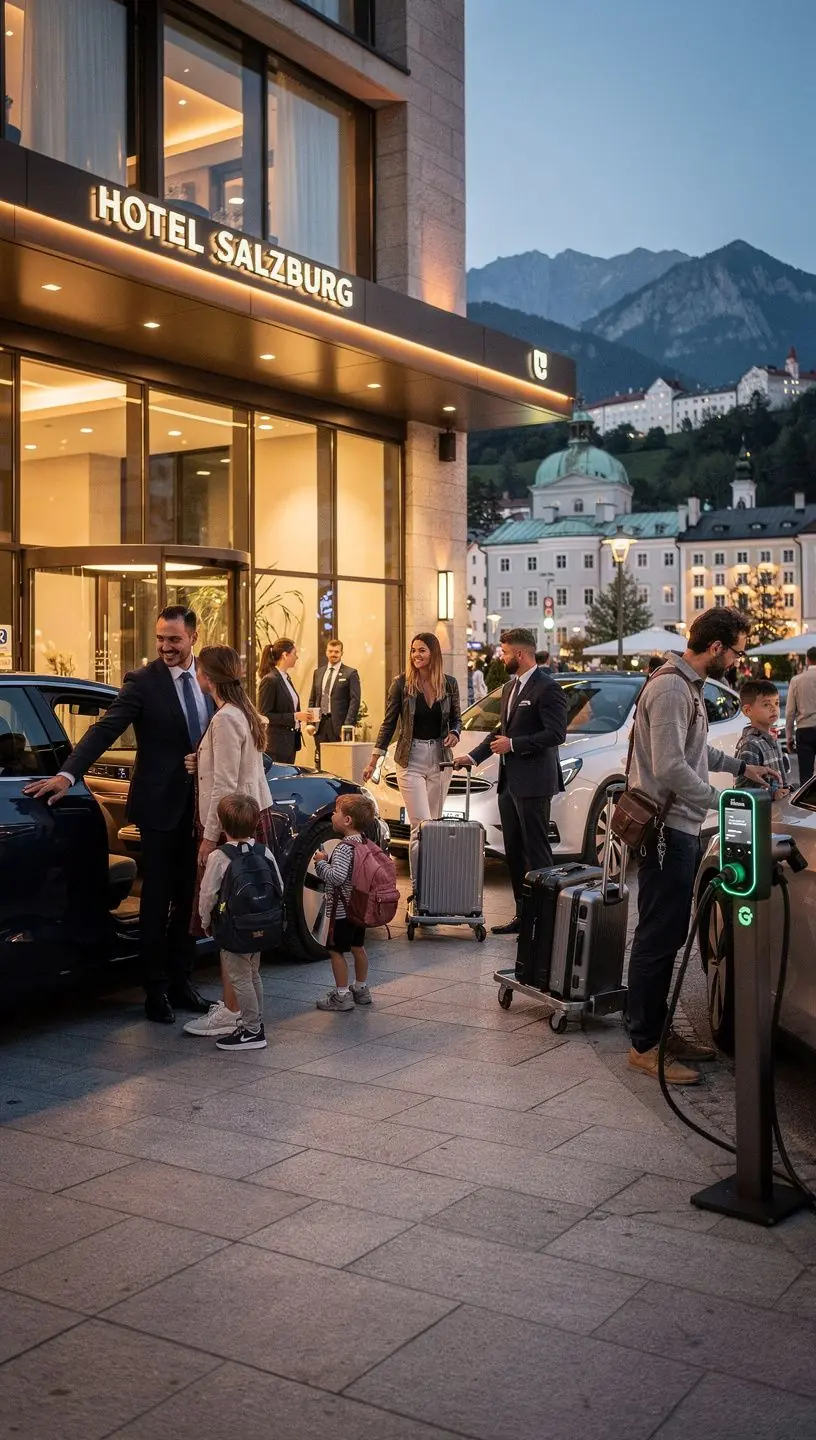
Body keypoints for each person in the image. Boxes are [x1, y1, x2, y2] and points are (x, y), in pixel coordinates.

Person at [24, 606, 214, 1024]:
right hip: (159, 808)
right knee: (157, 899)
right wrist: (68, 774)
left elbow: (229, 730)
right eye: (160, 638)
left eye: (174, 639)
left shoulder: (210, 677)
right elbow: (105, 729)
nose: (165, 647)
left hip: (202, 808)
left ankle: (182, 981)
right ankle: (155, 991)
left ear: (193, 638)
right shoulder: (143, 681)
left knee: (191, 898)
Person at [626, 607, 780, 1085]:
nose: (736, 661)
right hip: (667, 829)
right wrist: (724, 801)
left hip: (679, 826)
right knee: (659, 936)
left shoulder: (685, 685)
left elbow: (693, 751)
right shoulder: (673, 688)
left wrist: (740, 768)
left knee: (669, 933)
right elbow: (671, 767)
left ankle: (657, 1031)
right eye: (735, 652)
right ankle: (643, 1045)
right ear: (715, 647)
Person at [183, 644, 277, 1038]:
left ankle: (232, 1010)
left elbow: (223, 785)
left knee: (228, 920)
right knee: (245, 917)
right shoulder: (242, 712)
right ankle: (240, 1006)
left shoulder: (224, 718)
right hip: (250, 817)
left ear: (207, 677)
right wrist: (199, 761)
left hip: (230, 823)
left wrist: (209, 838)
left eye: (198, 670)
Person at [455, 627, 568, 935]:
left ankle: (545, 921)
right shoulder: (509, 688)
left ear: (520, 653)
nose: (501, 657)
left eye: (504, 652)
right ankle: (523, 916)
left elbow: (556, 733)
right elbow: (500, 732)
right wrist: (473, 757)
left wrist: (514, 745)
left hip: (534, 784)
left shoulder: (548, 688)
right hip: (509, 785)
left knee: (537, 852)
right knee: (514, 852)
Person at [362, 633, 461, 879]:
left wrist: (455, 733)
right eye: (413, 650)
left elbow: (456, 718)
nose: (416, 655)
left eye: (422, 650)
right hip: (410, 758)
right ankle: (419, 888)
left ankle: (434, 882)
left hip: (440, 759)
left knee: (434, 825)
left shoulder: (449, 684)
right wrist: (373, 761)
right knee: (421, 825)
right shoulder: (401, 684)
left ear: (433, 653)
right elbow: (388, 724)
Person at [198, 792, 280, 1052]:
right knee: (253, 974)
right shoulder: (264, 851)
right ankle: (256, 1023)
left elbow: (208, 894)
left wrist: (205, 920)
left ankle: (252, 1030)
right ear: (255, 823)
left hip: (235, 929)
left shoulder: (220, 857)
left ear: (222, 825)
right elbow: (277, 885)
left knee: (240, 978)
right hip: (261, 923)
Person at [313, 793, 379, 1012]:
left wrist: (321, 863)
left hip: (342, 912)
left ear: (347, 820)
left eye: (336, 812)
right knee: (358, 947)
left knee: (336, 951)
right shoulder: (364, 842)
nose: (333, 815)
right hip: (359, 908)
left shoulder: (344, 848)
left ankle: (341, 995)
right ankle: (361, 989)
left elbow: (337, 877)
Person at [308, 639, 361, 769]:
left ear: (342, 653)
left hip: (339, 726)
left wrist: (347, 726)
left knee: (339, 764)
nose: (333, 654)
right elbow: (313, 698)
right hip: (320, 725)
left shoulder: (350, 673)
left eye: (336, 652)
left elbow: (355, 701)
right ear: (326, 652)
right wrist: (311, 723)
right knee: (321, 763)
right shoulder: (318, 672)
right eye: (331, 651)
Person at [258, 638, 311, 765]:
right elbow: (265, 715)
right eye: (294, 654)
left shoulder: (286, 678)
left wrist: (300, 716)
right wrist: (295, 716)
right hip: (276, 745)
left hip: (290, 743)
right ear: (285, 655)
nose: (297, 657)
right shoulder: (270, 680)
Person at [735, 678, 790, 798]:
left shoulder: (772, 739)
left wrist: (787, 789)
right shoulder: (750, 745)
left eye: (776, 703)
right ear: (748, 710)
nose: (774, 708)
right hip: (761, 807)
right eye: (766, 704)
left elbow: (782, 779)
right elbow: (744, 786)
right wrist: (773, 793)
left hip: (778, 806)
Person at [786, 647, 816, 785]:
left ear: (807, 660)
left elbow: (790, 712)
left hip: (804, 731)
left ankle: (807, 798)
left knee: (806, 776)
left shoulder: (797, 680)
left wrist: (789, 737)